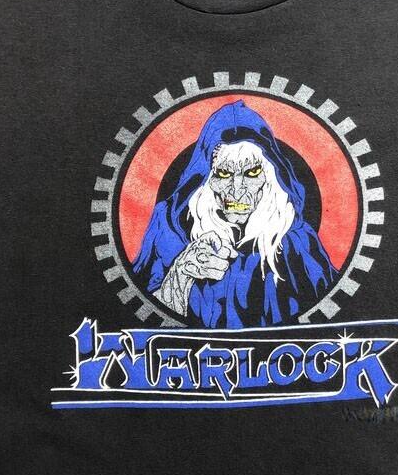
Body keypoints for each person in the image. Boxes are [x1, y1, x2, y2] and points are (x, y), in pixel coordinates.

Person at [133, 99, 337, 328]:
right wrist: (181, 274)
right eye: (223, 173)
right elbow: (137, 313)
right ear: (205, 177)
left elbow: (330, 313)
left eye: (252, 173)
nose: (237, 189)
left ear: (270, 176)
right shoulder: (170, 227)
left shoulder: (298, 240)